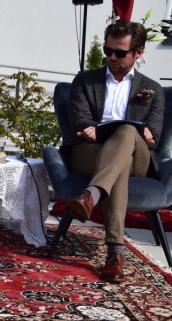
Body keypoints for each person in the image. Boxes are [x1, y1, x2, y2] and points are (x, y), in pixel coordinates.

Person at [64, 20, 164, 283]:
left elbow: (153, 136)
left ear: (138, 53)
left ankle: (90, 195)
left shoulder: (152, 89)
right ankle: (115, 254)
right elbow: (79, 121)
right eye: (107, 51)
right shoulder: (85, 81)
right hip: (89, 152)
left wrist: (119, 130)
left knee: (127, 132)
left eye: (120, 53)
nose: (112, 57)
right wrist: (96, 129)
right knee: (119, 162)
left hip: (138, 158)